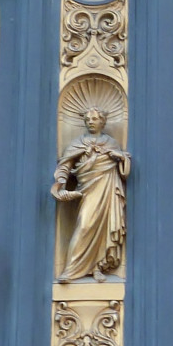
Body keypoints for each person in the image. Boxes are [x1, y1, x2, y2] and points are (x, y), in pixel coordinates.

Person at [54, 109, 130, 281]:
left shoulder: (111, 143)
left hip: (107, 188)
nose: (91, 121)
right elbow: (65, 166)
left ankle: (97, 267)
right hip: (87, 189)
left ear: (102, 121)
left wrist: (121, 158)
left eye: (94, 118)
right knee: (85, 226)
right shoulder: (78, 143)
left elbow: (123, 172)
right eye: (87, 119)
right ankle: (71, 269)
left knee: (103, 228)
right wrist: (60, 184)